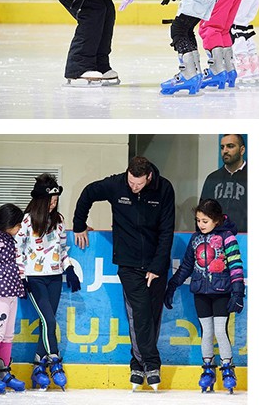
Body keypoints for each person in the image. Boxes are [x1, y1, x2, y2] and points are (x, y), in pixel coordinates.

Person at [72, 155, 175, 390]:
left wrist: (157, 267)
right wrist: (79, 224)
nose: (133, 187)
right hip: (128, 264)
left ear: (149, 177)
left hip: (155, 264)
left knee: (152, 314)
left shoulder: (164, 189)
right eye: (131, 182)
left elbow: (167, 230)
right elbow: (88, 193)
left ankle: (137, 364)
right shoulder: (116, 184)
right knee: (138, 312)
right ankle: (151, 364)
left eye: (138, 184)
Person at [164, 199, 244, 394]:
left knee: (220, 331)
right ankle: (208, 369)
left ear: (216, 220)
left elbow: (235, 266)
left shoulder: (227, 238)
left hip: (221, 293)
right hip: (200, 292)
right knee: (206, 332)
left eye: (205, 221)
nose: (200, 224)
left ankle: (228, 369)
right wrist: (172, 285)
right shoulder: (195, 239)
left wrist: (238, 292)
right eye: (198, 220)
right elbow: (186, 267)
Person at [16, 174, 82, 391]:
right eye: (50, 201)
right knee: (50, 323)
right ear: (40, 201)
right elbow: (17, 250)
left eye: (56, 202)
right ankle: (54, 361)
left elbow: (62, 250)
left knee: (47, 322)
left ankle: (37, 367)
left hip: (54, 278)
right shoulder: (27, 221)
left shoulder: (59, 221)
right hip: (34, 279)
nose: (53, 205)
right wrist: (22, 276)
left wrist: (69, 268)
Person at [0, 203, 26, 393]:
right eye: (18, 224)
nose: (20, 228)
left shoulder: (9, 239)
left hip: (12, 291)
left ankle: (4, 372)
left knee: (8, 335)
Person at [200, 134, 248, 233]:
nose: (225, 151)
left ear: (242, 150)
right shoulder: (212, 178)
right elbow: (202, 213)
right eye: (222, 147)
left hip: (243, 238)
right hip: (215, 240)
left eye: (230, 146)